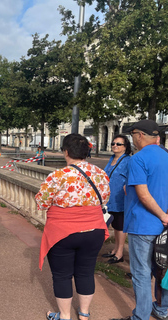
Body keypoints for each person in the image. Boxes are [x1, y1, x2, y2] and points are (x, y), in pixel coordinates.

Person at [111, 120, 168, 320]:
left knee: (141, 273)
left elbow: (143, 194)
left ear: (140, 135)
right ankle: (161, 310)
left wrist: (161, 215)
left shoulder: (138, 159)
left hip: (143, 224)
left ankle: (140, 316)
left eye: (133, 135)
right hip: (164, 227)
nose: (132, 139)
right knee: (162, 270)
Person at [35, 133, 110, 320]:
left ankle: (65, 315)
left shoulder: (58, 175)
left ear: (66, 151)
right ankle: (84, 314)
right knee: (86, 272)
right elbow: (106, 198)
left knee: (62, 275)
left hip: (63, 232)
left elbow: (42, 203)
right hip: (94, 229)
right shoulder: (101, 174)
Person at [101, 134, 131, 264]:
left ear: (125, 147)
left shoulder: (128, 161)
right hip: (109, 199)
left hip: (120, 199)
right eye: (113, 143)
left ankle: (120, 253)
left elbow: (131, 178)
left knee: (120, 227)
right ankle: (114, 249)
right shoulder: (112, 158)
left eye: (118, 144)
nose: (115, 146)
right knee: (114, 225)